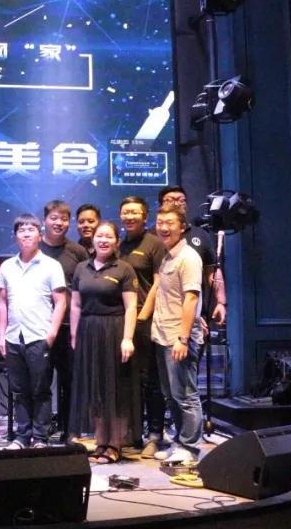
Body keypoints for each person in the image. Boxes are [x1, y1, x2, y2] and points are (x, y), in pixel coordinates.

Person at [0, 214, 67, 449]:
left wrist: (51, 334)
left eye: (31, 229)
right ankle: (22, 436)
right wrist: (2, 335)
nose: (26, 234)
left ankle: (40, 437)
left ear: (40, 234)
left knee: (40, 390)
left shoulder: (51, 266)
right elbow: (2, 302)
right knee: (19, 391)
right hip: (13, 337)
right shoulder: (7, 266)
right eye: (21, 230)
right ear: (15, 236)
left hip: (39, 336)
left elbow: (61, 302)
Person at [69, 221, 138, 464]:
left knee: (114, 389)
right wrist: (75, 336)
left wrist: (127, 338)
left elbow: (131, 307)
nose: (103, 240)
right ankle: (100, 442)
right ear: (93, 239)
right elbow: (75, 305)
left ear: (116, 241)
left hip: (114, 331)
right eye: (100, 236)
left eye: (109, 236)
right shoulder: (81, 268)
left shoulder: (124, 269)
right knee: (95, 389)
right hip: (88, 332)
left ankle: (114, 444)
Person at [142, 206, 204, 463]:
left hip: (178, 337)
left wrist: (183, 338)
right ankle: (179, 442)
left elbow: (191, 299)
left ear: (182, 227)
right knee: (172, 395)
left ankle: (190, 448)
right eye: (160, 223)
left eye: (169, 223)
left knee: (186, 396)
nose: (164, 227)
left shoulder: (188, 257)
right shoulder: (168, 256)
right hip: (163, 336)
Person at [118, 196, 169, 458]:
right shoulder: (119, 244)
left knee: (151, 379)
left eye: (135, 213)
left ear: (145, 217)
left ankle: (155, 435)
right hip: (122, 321)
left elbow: (159, 283)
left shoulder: (154, 244)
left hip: (146, 321)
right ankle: (133, 432)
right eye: (125, 212)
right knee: (129, 379)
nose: (129, 217)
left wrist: (143, 316)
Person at [39, 200, 89, 441]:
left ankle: (70, 431)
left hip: (71, 326)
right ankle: (42, 431)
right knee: (41, 381)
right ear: (44, 221)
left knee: (71, 381)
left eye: (63, 219)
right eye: (54, 218)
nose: (58, 223)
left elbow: (85, 287)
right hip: (40, 326)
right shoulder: (35, 248)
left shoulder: (77, 252)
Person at [157, 186, 226, 326]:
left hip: (196, 313)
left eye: (181, 200)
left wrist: (221, 302)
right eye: (169, 200)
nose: (176, 204)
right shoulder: (153, 235)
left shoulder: (200, 234)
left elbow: (212, 271)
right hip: (161, 316)